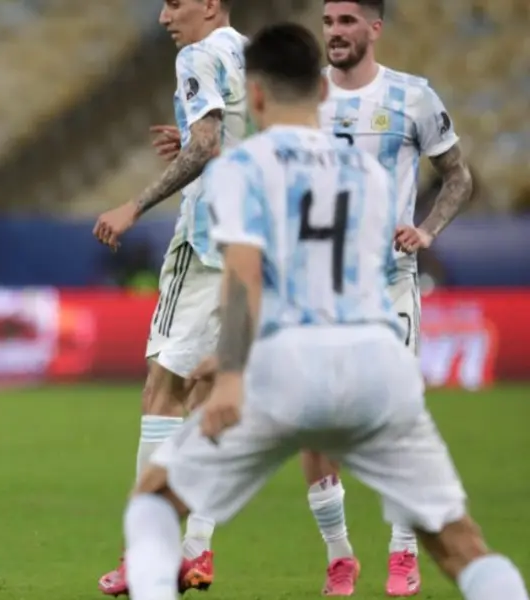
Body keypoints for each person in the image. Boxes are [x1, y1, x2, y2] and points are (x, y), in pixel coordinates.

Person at [122, 21, 528, 600]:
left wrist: (230, 373)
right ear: (319, 94)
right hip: (377, 367)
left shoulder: (242, 169)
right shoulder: (367, 173)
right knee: (462, 546)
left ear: (254, 96)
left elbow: (244, 276)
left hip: (288, 369)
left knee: (152, 508)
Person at [306, 1, 475, 595]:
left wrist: (426, 230)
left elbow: (459, 175)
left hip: (388, 284)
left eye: (347, 22)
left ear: (374, 28)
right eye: (328, 22)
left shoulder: (413, 97)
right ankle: (339, 556)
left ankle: (403, 554)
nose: (335, 33)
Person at [91, 0, 246, 594]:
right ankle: (196, 549)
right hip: (256, 247)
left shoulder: (199, 55)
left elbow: (206, 145)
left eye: (175, 2)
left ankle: (146, 553)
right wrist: (191, 136)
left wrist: (132, 205)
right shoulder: (254, 55)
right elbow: (234, 138)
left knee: (163, 387)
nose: (162, 17)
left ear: (210, 5)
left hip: (207, 243)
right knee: (213, 387)